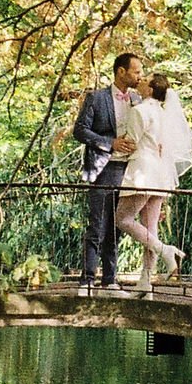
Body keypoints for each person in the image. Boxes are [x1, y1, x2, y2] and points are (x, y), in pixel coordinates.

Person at [70, 50, 143, 290]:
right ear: (121, 72)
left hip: (129, 170)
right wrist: (109, 143)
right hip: (103, 168)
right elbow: (80, 130)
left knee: (116, 225)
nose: (139, 76)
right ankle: (87, 279)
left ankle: (110, 279)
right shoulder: (96, 98)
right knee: (97, 225)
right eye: (136, 71)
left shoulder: (138, 100)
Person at [116, 69, 192, 280]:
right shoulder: (164, 113)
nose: (140, 81)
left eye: (145, 80)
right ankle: (146, 283)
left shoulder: (140, 111)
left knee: (122, 219)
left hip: (142, 172)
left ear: (150, 89)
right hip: (161, 175)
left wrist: (111, 150)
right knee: (150, 230)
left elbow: (130, 144)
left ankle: (166, 251)